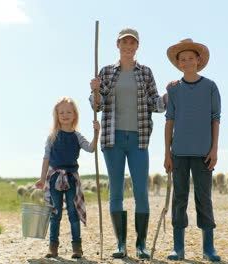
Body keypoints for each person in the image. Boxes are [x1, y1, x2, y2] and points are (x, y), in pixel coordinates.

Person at [89, 28, 168, 259]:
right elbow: (98, 105)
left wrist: (167, 97)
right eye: (124, 42)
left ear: (137, 46)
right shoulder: (105, 72)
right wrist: (94, 91)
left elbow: (154, 102)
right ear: (117, 44)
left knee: (141, 191)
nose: (128, 46)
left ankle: (141, 243)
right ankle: (120, 244)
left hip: (139, 138)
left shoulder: (145, 72)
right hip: (112, 139)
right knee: (116, 192)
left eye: (132, 43)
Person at [164, 39, 222, 262]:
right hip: (179, 152)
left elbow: (215, 120)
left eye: (191, 58)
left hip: (203, 153)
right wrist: (167, 153)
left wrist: (214, 149)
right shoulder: (174, 89)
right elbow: (169, 121)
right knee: (179, 199)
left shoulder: (210, 87)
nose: (187, 62)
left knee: (203, 198)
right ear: (178, 63)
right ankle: (178, 248)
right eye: (183, 59)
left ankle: (209, 247)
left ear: (198, 60)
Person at [35, 96, 99, 259]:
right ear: (56, 115)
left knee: (73, 213)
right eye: (61, 112)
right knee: (55, 213)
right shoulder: (52, 136)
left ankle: (77, 247)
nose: (65, 115)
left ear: (74, 115)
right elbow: (46, 158)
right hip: (55, 177)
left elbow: (91, 149)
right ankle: (53, 247)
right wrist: (42, 179)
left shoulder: (77, 136)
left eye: (69, 112)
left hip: (71, 178)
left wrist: (96, 133)